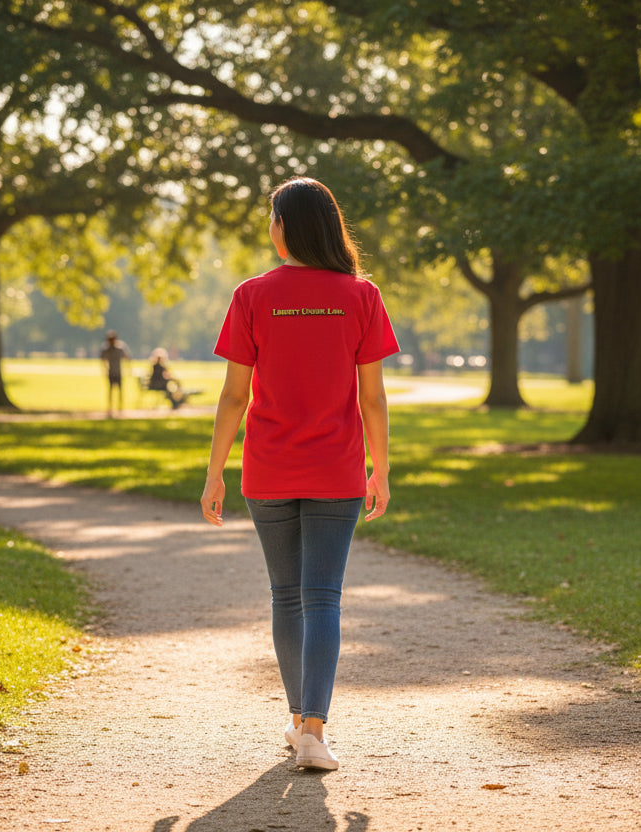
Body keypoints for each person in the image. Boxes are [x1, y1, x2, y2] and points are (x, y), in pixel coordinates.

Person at [200, 177, 399, 771]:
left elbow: (234, 397)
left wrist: (214, 475)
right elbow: (373, 400)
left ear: (285, 225)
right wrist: (380, 470)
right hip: (336, 469)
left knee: (286, 597)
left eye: (272, 217)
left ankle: (298, 723)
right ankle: (312, 729)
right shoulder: (361, 296)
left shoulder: (253, 294)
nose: (270, 227)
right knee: (323, 598)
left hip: (269, 468)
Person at [100, 330, 131, 416]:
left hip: (118, 372)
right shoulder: (106, 349)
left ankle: (120, 407)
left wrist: (128, 369)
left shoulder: (120, 348)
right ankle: (110, 408)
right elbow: (102, 360)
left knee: (120, 390)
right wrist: (104, 370)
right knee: (111, 390)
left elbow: (127, 357)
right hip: (111, 372)